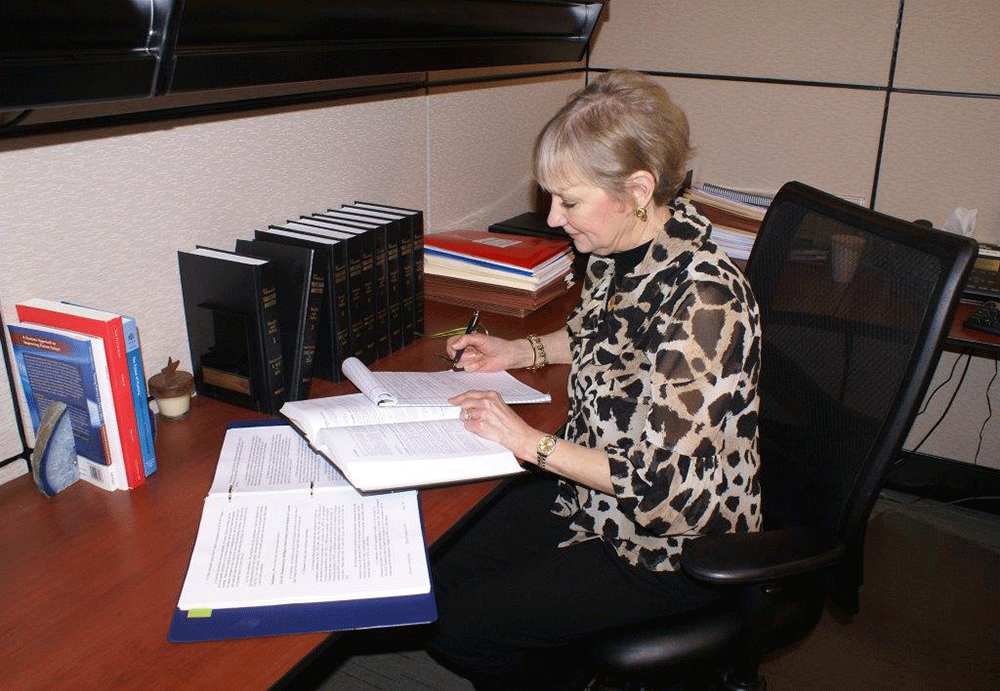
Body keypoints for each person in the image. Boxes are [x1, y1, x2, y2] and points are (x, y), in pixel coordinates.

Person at [425, 70, 762, 691]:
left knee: (459, 622)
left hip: (665, 544)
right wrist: (517, 349)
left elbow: (658, 485)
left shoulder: (707, 298)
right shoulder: (625, 248)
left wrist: (527, 441)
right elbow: (596, 335)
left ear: (638, 188)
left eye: (569, 201)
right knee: (436, 568)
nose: (554, 219)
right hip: (588, 493)